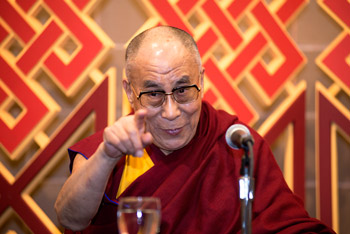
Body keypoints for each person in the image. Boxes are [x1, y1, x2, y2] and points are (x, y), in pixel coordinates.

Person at [55, 25, 335, 234]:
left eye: (183, 90)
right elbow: (69, 218)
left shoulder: (234, 143)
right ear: (130, 90)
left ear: (201, 79)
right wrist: (107, 155)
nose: (171, 111)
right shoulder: (111, 151)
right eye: (153, 94)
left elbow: (288, 226)